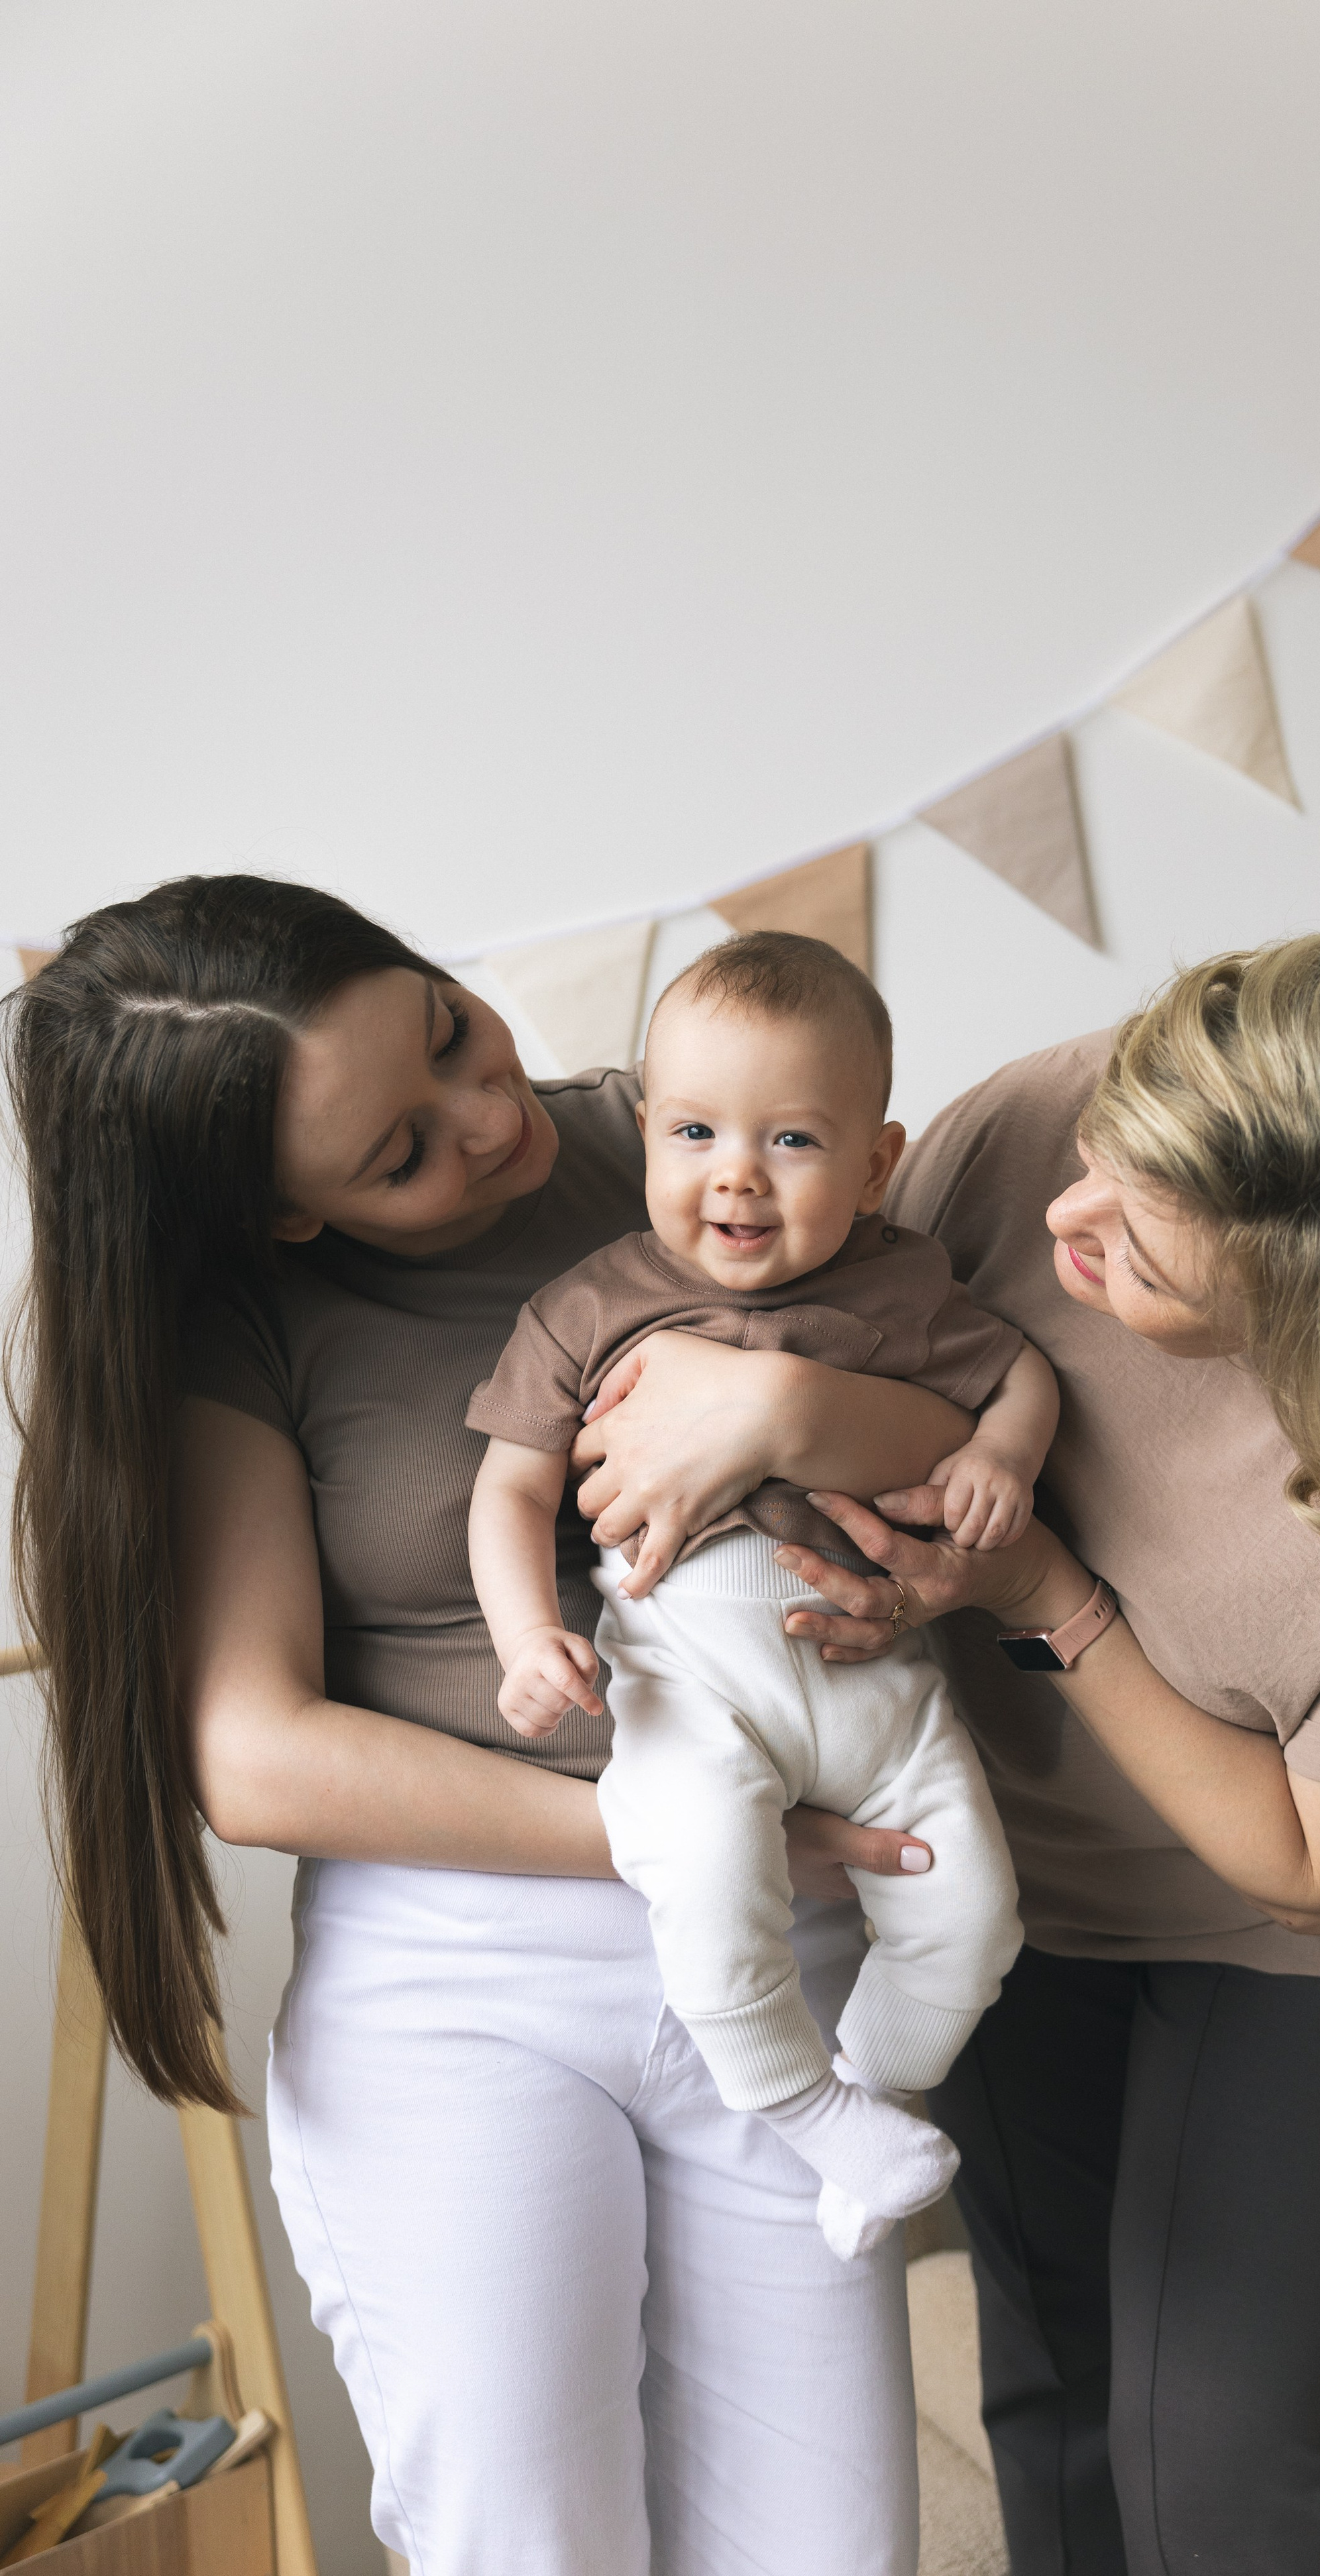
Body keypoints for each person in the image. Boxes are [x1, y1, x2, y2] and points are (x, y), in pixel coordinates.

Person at [4, 874, 979, 2576]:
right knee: (530, 2543)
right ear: (289, 1218)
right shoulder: (237, 1323)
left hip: (774, 1961)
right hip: (470, 1991)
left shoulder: (693, 1135)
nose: (486, 1114)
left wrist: (785, 1406)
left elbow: (965, 1419)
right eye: (398, 1150)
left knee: (830, 2551)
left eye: (451, 1029)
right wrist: (684, 1836)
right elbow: (252, 1757)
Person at [745, 935, 1320, 2576]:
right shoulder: (1043, 1130)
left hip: (1303, 1936)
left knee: (1223, 2483)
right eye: (1101, 1164)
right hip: (1005, 1892)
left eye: (1138, 1251)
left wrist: (1041, 1595)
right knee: (1058, 2419)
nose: (1060, 1218)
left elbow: (1319, 1870)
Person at [466, 931, 1046, 2256]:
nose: (734, 1172)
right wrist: (525, 1636)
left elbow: (1019, 1377)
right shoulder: (591, 1303)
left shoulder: (900, 1284)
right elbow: (507, 1491)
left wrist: (1002, 1453)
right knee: (710, 1884)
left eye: (790, 1140)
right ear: (647, 1141)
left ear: (873, 1162)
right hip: (687, 1676)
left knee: (972, 1916)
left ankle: (870, 2105)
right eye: (693, 1132)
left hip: (877, 1677)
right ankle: (800, 2109)